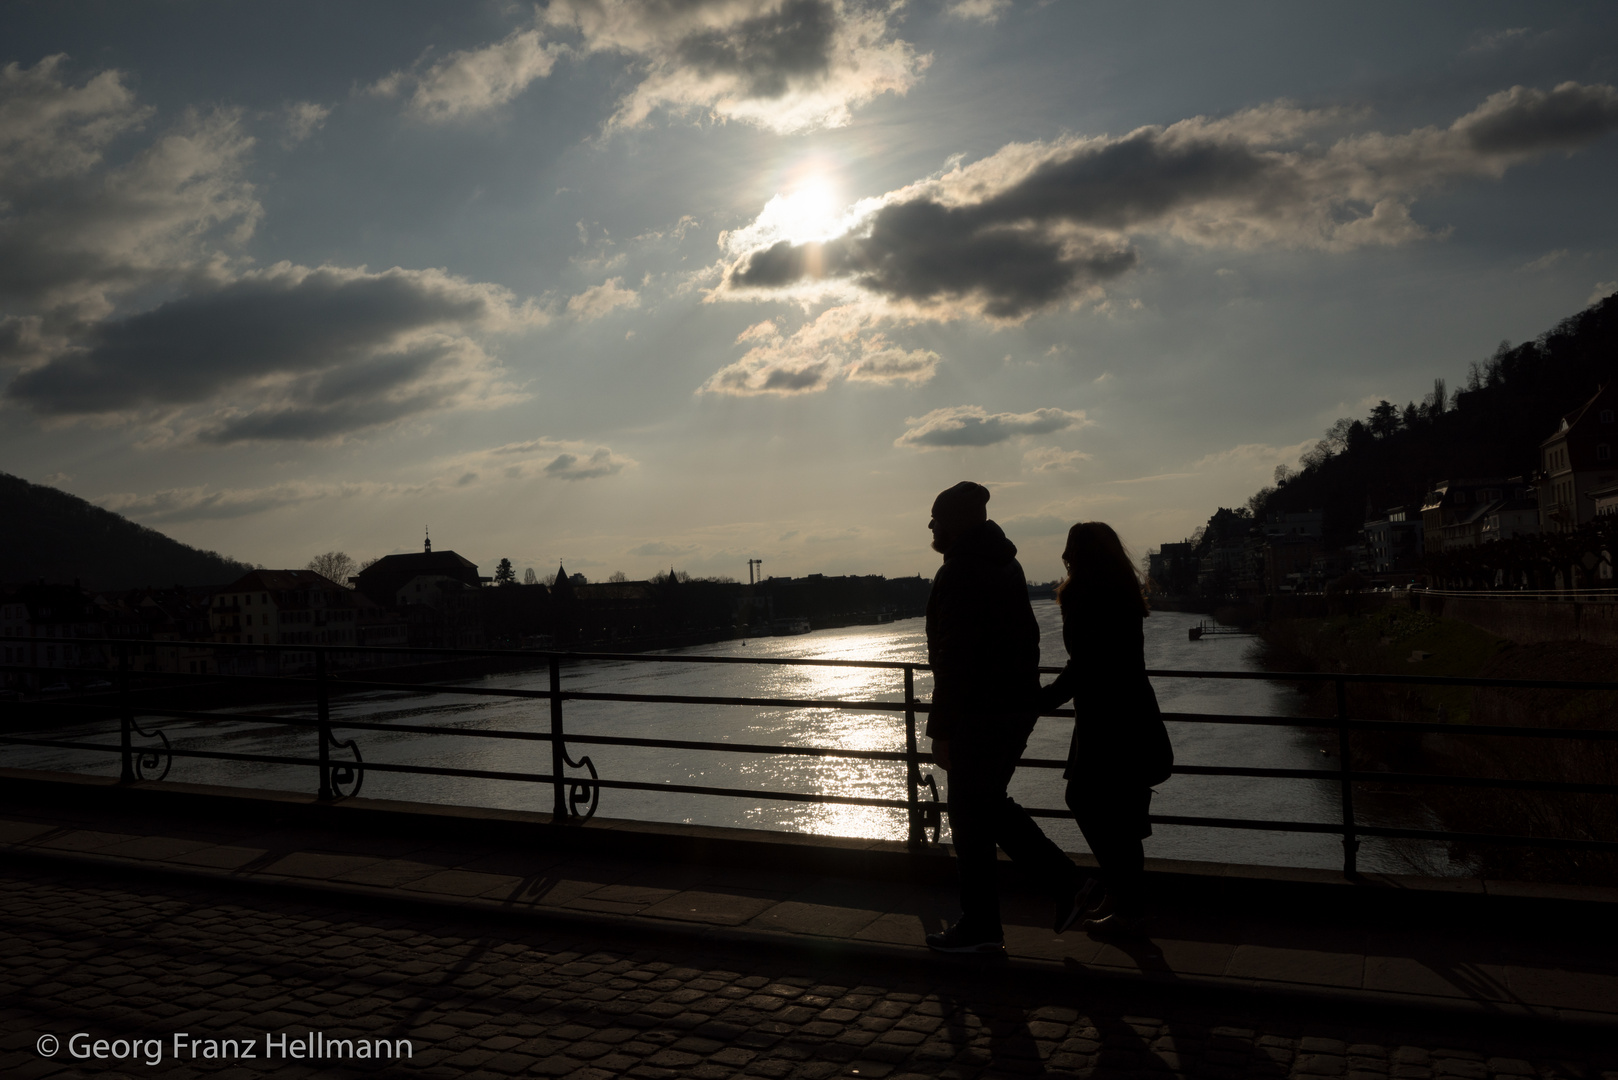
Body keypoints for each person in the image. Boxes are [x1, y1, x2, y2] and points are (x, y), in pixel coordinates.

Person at [923, 481, 1085, 953]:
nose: (930, 526)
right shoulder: (1005, 564)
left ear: (953, 522)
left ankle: (1064, 882)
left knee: (978, 808)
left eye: (935, 517)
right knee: (977, 812)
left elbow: (954, 660)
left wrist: (942, 731)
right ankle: (983, 926)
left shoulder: (960, 572)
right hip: (1013, 706)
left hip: (979, 712)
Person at [1039, 522, 1173, 933]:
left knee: (1086, 800)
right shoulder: (1123, 593)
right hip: (1132, 712)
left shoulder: (1085, 595)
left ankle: (1124, 903)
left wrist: (1042, 700)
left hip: (1105, 720)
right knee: (1120, 814)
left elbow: (1085, 663)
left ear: (1074, 555)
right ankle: (1126, 903)